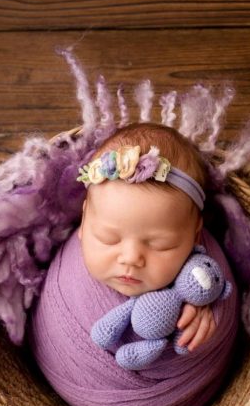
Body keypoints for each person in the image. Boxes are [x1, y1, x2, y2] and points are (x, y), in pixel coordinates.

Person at [76, 122, 218, 353]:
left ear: (196, 235)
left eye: (162, 245)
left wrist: (207, 300)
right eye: (108, 238)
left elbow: (218, 283)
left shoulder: (204, 268)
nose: (131, 258)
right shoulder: (62, 268)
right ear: (83, 220)